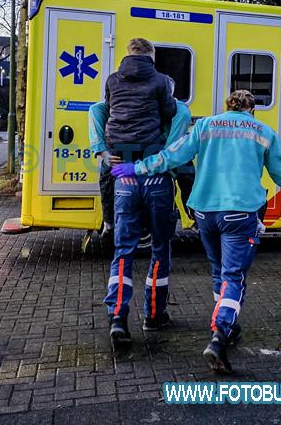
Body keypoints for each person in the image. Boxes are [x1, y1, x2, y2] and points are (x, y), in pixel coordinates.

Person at [112, 90, 281, 373]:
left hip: (205, 212)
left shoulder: (205, 126)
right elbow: (279, 169)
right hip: (240, 212)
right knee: (233, 276)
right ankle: (220, 334)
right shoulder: (262, 131)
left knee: (219, 271)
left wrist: (136, 168)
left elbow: (172, 156)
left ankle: (228, 324)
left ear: (227, 107)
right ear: (251, 110)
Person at [102, 38, 178, 348]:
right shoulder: (160, 81)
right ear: (150, 56)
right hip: (155, 172)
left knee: (124, 250)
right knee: (160, 246)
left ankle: (118, 317)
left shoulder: (112, 80)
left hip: (124, 173)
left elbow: (106, 110)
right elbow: (170, 112)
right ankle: (153, 314)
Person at [89, 86, 194, 250]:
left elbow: (96, 109)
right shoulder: (177, 108)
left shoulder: (123, 102)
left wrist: (103, 152)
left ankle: (109, 222)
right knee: (186, 173)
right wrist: (165, 163)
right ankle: (195, 216)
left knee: (107, 177)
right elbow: (174, 145)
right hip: (155, 151)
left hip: (132, 151)